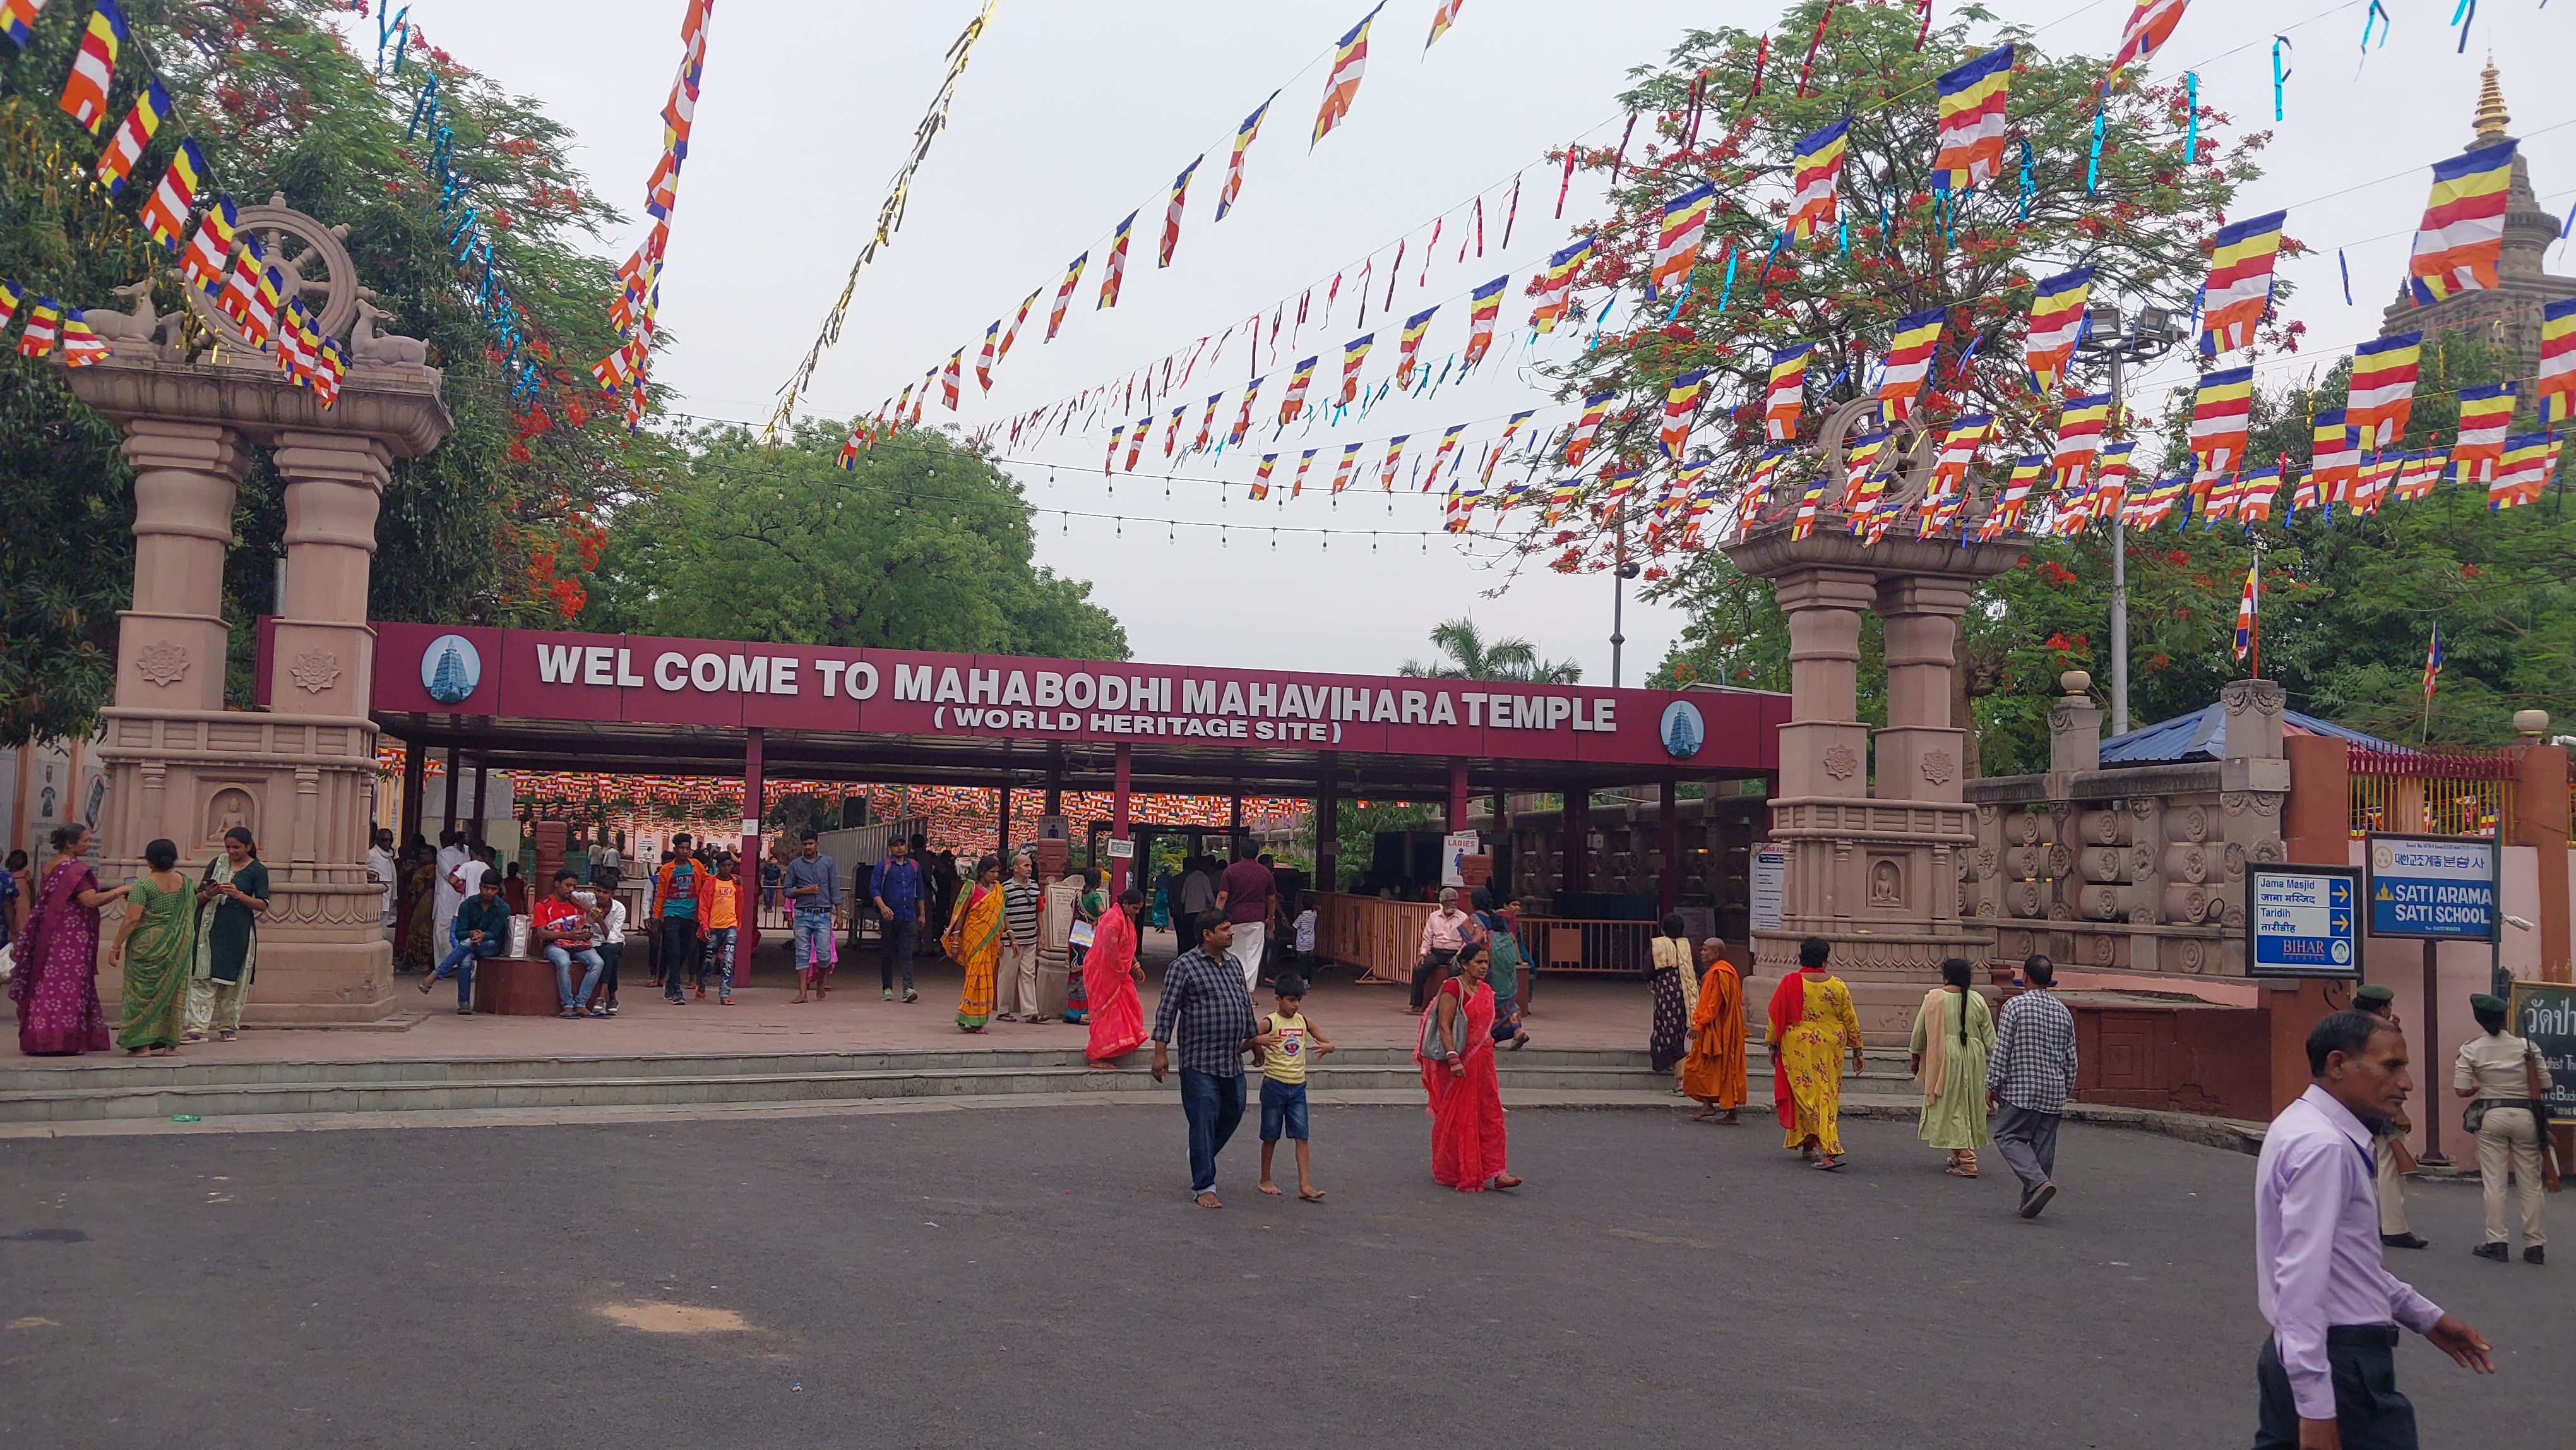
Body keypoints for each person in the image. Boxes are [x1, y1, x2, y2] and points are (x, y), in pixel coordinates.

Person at [2253, 1010, 2495, 1448]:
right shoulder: (2323, 1146)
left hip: (2310, 1357)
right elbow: (2301, 1281)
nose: (2406, 1083)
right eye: (2391, 1066)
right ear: (2338, 1064)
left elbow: (2345, 1263)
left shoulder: (2304, 1126)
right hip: (2340, 1365)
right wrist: (2316, 1408)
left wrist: (2426, 1317)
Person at [1152, 910, 1263, 1208]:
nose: (1231, 933)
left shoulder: (1234, 965)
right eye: (1225, 929)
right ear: (1207, 935)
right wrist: (1160, 1053)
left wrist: (1255, 1043)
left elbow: (1243, 1005)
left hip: (1231, 1058)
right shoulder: (1184, 967)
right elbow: (1167, 1011)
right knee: (1203, 1117)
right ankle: (1205, 1185)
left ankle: (1201, 1152)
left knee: (1235, 1110)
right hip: (1198, 1060)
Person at [2456, 993, 2554, 1265]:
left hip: (2492, 1115)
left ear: (2479, 1019)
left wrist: (2479, 1086)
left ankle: (2497, 1242)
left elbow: (2461, 1089)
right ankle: (2536, 1246)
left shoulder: (2471, 1049)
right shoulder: (2528, 1047)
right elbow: (2545, 1085)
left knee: (2495, 1183)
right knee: (2531, 1184)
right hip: (2526, 1116)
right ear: (2504, 1017)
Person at [1414, 937, 1518, 1192]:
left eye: (1486, 962)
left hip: (1484, 1063)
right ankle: (1455, 1168)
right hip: (1459, 1063)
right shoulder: (1452, 989)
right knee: (1458, 1117)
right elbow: (1444, 1025)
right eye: (1478, 962)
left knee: (1490, 1115)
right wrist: (1453, 1058)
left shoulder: (1485, 991)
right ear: (1464, 964)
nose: (1484, 967)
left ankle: (1497, 1171)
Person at [10, 823, 124, 1055]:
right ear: (70, 844)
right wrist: (120, 891)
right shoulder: (74, 869)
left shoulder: (51, 865)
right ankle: (60, 1039)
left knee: (47, 981)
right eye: (84, 841)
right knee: (67, 985)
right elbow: (90, 901)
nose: (87, 844)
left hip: (50, 933)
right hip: (70, 938)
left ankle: (40, 1036)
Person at [1988, 952, 2080, 1219]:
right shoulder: (2063, 1011)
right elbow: (2071, 1056)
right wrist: (2065, 1089)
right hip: (2054, 1088)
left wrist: (1993, 1083)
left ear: (2024, 976)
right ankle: (2031, 1199)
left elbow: (2002, 1049)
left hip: (2021, 1087)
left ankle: (2038, 1184)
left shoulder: (2015, 1007)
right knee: (2043, 1146)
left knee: (2008, 1136)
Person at [1767, 935, 1865, 1170]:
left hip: (1798, 1044)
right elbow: (1850, 1019)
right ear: (1825, 960)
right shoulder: (1837, 985)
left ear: (1800, 957)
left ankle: (1826, 1148)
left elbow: (1775, 1017)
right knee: (1826, 1094)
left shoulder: (1789, 982)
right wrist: (1858, 1049)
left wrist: (1772, 1045)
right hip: (1831, 1044)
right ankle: (1812, 1143)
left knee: (1804, 1093)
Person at [2351, 984, 2427, 1249]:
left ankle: (2365, 1223)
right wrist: (2400, 1111)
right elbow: (2391, 1075)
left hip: (2352, 1103)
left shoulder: (2347, 1030)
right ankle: (2394, 1227)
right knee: (2390, 1166)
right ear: (2382, 1008)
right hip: (2380, 1104)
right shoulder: (2382, 1036)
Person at [1910, 957, 1996, 1177]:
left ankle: (1967, 1160)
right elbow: (1991, 1040)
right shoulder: (1977, 999)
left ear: (1945, 977)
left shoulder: (1934, 999)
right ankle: (1958, 1154)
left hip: (1944, 1056)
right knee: (1966, 1104)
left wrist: (1916, 1059)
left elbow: (1920, 1033)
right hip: (1973, 1057)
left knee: (1951, 1105)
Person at [183, 827, 270, 1043]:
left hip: (238, 930)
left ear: (248, 846)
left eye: (236, 847)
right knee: (202, 977)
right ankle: (197, 1027)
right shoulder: (217, 863)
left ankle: (228, 1026)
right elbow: (198, 896)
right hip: (209, 928)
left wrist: (239, 895)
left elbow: (262, 904)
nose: (231, 851)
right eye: (228, 847)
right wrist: (209, 893)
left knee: (235, 980)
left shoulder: (258, 870)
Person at [1256, 973, 1335, 1201]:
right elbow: (1247, 1038)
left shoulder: (1304, 1021)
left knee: (1302, 1136)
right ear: (1277, 999)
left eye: (1299, 1000)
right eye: (1291, 1000)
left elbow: (1327, 1042)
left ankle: (1305, 1185)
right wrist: (1259, 1043)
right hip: (1274, 1084)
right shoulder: (1270, 1022)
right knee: (1270, 1135)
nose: (1296, 1005)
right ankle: (1265, 1178)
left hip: (1298, 1087)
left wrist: (1328, 1047)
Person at [111, 838, 192, 1055]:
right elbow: (189, 910)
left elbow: (131, 919)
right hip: (177, 944)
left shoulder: (143, 886)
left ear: (149, 862)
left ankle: (142, 1044)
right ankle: (170, 1045)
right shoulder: (186, 883)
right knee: (172, 991)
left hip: (146, 944)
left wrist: (115, 946)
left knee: (141, 994)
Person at [422, 872, 508, 1013]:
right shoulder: (467, 905)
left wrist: (483, 935)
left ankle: (436, 975)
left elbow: (496, 933)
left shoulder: (503, 908)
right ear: (480, 887)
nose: (489, 892)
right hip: (469, 944)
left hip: (491, 946)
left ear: (498, 890)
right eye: (486, 888)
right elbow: (459, 932)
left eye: (493, 889)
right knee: (465, 960)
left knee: (467, 945)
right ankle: (464, 1004)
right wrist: (471, 934)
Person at [1681, 939, 1746, 1123]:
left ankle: (1729, 1113)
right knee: (1711, 1069)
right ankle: (1708, 1106)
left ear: (1716, 954)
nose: (1701, 953)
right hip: (1718, 1027)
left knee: (1714, 1068)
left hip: (1718, 1030)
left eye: (1705, 950)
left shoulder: (1720, 973)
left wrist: (1699, 1025)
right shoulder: (1720, 970)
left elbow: (1714, 1002)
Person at [1085, 887, 1148, 1065]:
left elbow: (1125, 948)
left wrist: (1135, 966)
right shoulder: (1112, 921)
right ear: (1125, 904)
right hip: (1103, 973)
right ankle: (1096, 1055)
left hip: (1118, 973)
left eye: (1139, 909)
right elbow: (1109, 952)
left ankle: (1116, 1046)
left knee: (1129, 1006)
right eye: (1135, 908)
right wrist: (1121, 971)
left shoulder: (1124, 919)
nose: (1137, 912)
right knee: (1104, 1012)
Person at [944, 855, 1006, 1033]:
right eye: (992, 872)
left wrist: (1008, 936)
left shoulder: (998, 890)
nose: (995, 875)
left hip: (990, 940)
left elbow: (1002, 915)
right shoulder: (970, 888)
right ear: (982, 872)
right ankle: (968, 1015)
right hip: (973, 938)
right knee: (974, 975)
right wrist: (956, 939)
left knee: (986, 977)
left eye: (997, 872)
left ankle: (977, 1019)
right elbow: (960, 914)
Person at [534, 870, 607, 1021]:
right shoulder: (543, 905)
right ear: (557, 884)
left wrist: (585, 933)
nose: (571, 890)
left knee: (598, 963)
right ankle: (567, 1005)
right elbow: (541, 933)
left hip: (577, 944)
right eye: (568, 886)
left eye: (574, 887)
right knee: (563, 961)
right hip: (554, 945)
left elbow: (580, 925)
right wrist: (566, 935)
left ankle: (581, 1004)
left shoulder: (575, 905)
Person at [782, 830, 842, 1003]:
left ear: (817, 843)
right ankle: (803, 993)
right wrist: (803, 891)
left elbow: (835, 889)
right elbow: (787, 891)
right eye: (805, 844)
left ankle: (821, 982)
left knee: (824, 954)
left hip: (823, 915)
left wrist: (839, 915)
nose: (808, 847)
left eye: (811, 843)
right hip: (802, 914)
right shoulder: (795, 865)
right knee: (802, 953)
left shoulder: (828, 863)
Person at [870, 834, 926, 1004]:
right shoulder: (883, 867)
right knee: (887, 953)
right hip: (889, 917)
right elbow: (874, 890)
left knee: (907, 953)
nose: (899, 848)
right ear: (890, 848)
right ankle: (887, 987)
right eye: (896, 845)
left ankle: (908, 988)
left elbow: (920, 892)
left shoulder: (915, 867)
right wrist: (883, 907)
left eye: (902, 844)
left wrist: (922, 914)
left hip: (908, 916)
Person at [1216, 837, 1276, 992]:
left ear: (1241, 852)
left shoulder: (1230, 871)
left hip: (1234, 919)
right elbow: (1271, 898)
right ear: (1257, 853)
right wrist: (1271, 918)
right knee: (1253, 956)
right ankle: (1248, 992)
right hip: (1256, 919)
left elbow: (1223, 895)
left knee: (1232, 953)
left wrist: (1216, 916)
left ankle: (1231, 988)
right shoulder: (1265, 872)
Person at [1476, 889, 1529, 1049]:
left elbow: (1474, 943)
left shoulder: (1474, 919)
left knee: (1487, 1001)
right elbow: (1512, 939)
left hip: (1488, 966)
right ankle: (1518, 1030)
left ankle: (1488, 1035)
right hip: (1507, 966)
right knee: (1508, 1002)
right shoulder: (1499, 918)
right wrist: (1518, 960)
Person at [653, 838, 703, 1005]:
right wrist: (656, 917)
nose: (685, 851)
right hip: (671, 913)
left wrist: (732, 879)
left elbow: (709, 880)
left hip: (690, 915)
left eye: (687, 848)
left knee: (685, 950)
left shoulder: (696, 865)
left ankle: (670, 981)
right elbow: (660, 895)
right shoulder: (667, 870)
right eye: (681, 848)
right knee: (673, 951)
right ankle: (677, 990)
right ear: (675, 850)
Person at [998, 851, 1045, 1023]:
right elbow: (1001, 914)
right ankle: (1003, 1010)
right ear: (1015, 868)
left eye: (1031, 865)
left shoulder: (1034, 887)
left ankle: (1030, 1012)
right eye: (1026, 865)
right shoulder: (1005, 889)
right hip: (1011, 940)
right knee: (1008, 974)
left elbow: (1038, 912)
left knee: (1029, 974)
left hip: (1030, 937)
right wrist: (1000, 939)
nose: (1029, 869)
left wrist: (1042, 934)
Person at [1414, 886, 1472, 1010]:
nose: (1453, 903)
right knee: (1419, 969)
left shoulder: (1463, 918)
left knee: (1456, 972)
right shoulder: (1434, 917)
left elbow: (1467, 941)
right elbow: (1427, 937)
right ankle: (1417, 1005)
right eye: (1450, 901)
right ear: (1442, 902)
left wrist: (1459, 955)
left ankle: (1457, 1006)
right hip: (1437, 952)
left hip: (1455, 953)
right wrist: (1423, 953)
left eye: (1455, 901)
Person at [1648, 914, 1691, 1078]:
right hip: (1687, 993)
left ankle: (1677, 1073)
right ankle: (1675, 1063)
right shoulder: (1688, 946)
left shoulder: (1657, 944)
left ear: (1663, 930)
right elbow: (1700, 969)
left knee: (1664, 1027)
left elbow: (1647, 970)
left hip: (1665, 994)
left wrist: (1654, 980)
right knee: (1679, 1029)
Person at [696, 856, 740, 1004]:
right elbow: (703, 906)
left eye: (729, 865)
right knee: (709, 961)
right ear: (718, 866)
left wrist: (737, 925)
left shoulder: (736, 883)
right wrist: (705, 926)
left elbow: (739, 905)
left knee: (728, 960)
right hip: (713, 927)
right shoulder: (710, 883)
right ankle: (702, 986)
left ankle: (725, 994)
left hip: (730, 926)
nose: (727, 868)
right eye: (723, 866)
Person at [367, 827, 398, 931]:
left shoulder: (389, 856)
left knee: (382, 928)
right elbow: (359, 869)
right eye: (384, 840)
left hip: (387, 897)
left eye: (390, 840)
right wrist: (369, 874)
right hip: (376, 898)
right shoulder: (372, 854)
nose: (387, 843)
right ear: (377, 840)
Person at [1291, 892, 1318, 980]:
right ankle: (1309, 981)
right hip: (1311, 942)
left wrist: (1285, 925)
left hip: (1302, 944)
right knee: (1309, 962)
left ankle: (1304, 980)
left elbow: (1294, 927)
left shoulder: (1301, 917)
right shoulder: (1314, 914)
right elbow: (1317, 908)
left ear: (1302, 905)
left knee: (1302, 963)